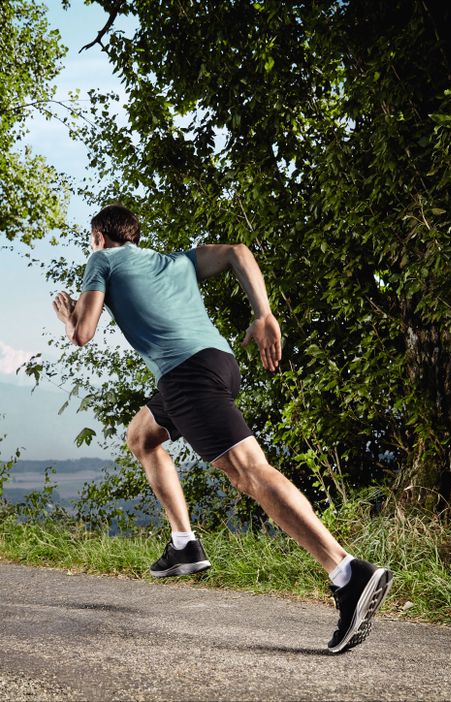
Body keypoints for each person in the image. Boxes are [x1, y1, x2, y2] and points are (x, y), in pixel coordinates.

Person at [51, 204, 392, 653]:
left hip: (186, 376)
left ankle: (347, 571)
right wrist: (264, 314)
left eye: (94, 239)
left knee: (250, 471)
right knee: (143, 436)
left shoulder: (102, 260)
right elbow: (237, 251)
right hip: (217, 363)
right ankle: (184, 543)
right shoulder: (174, 261)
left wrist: (69, 316)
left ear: (98, 236)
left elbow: (83, 334)